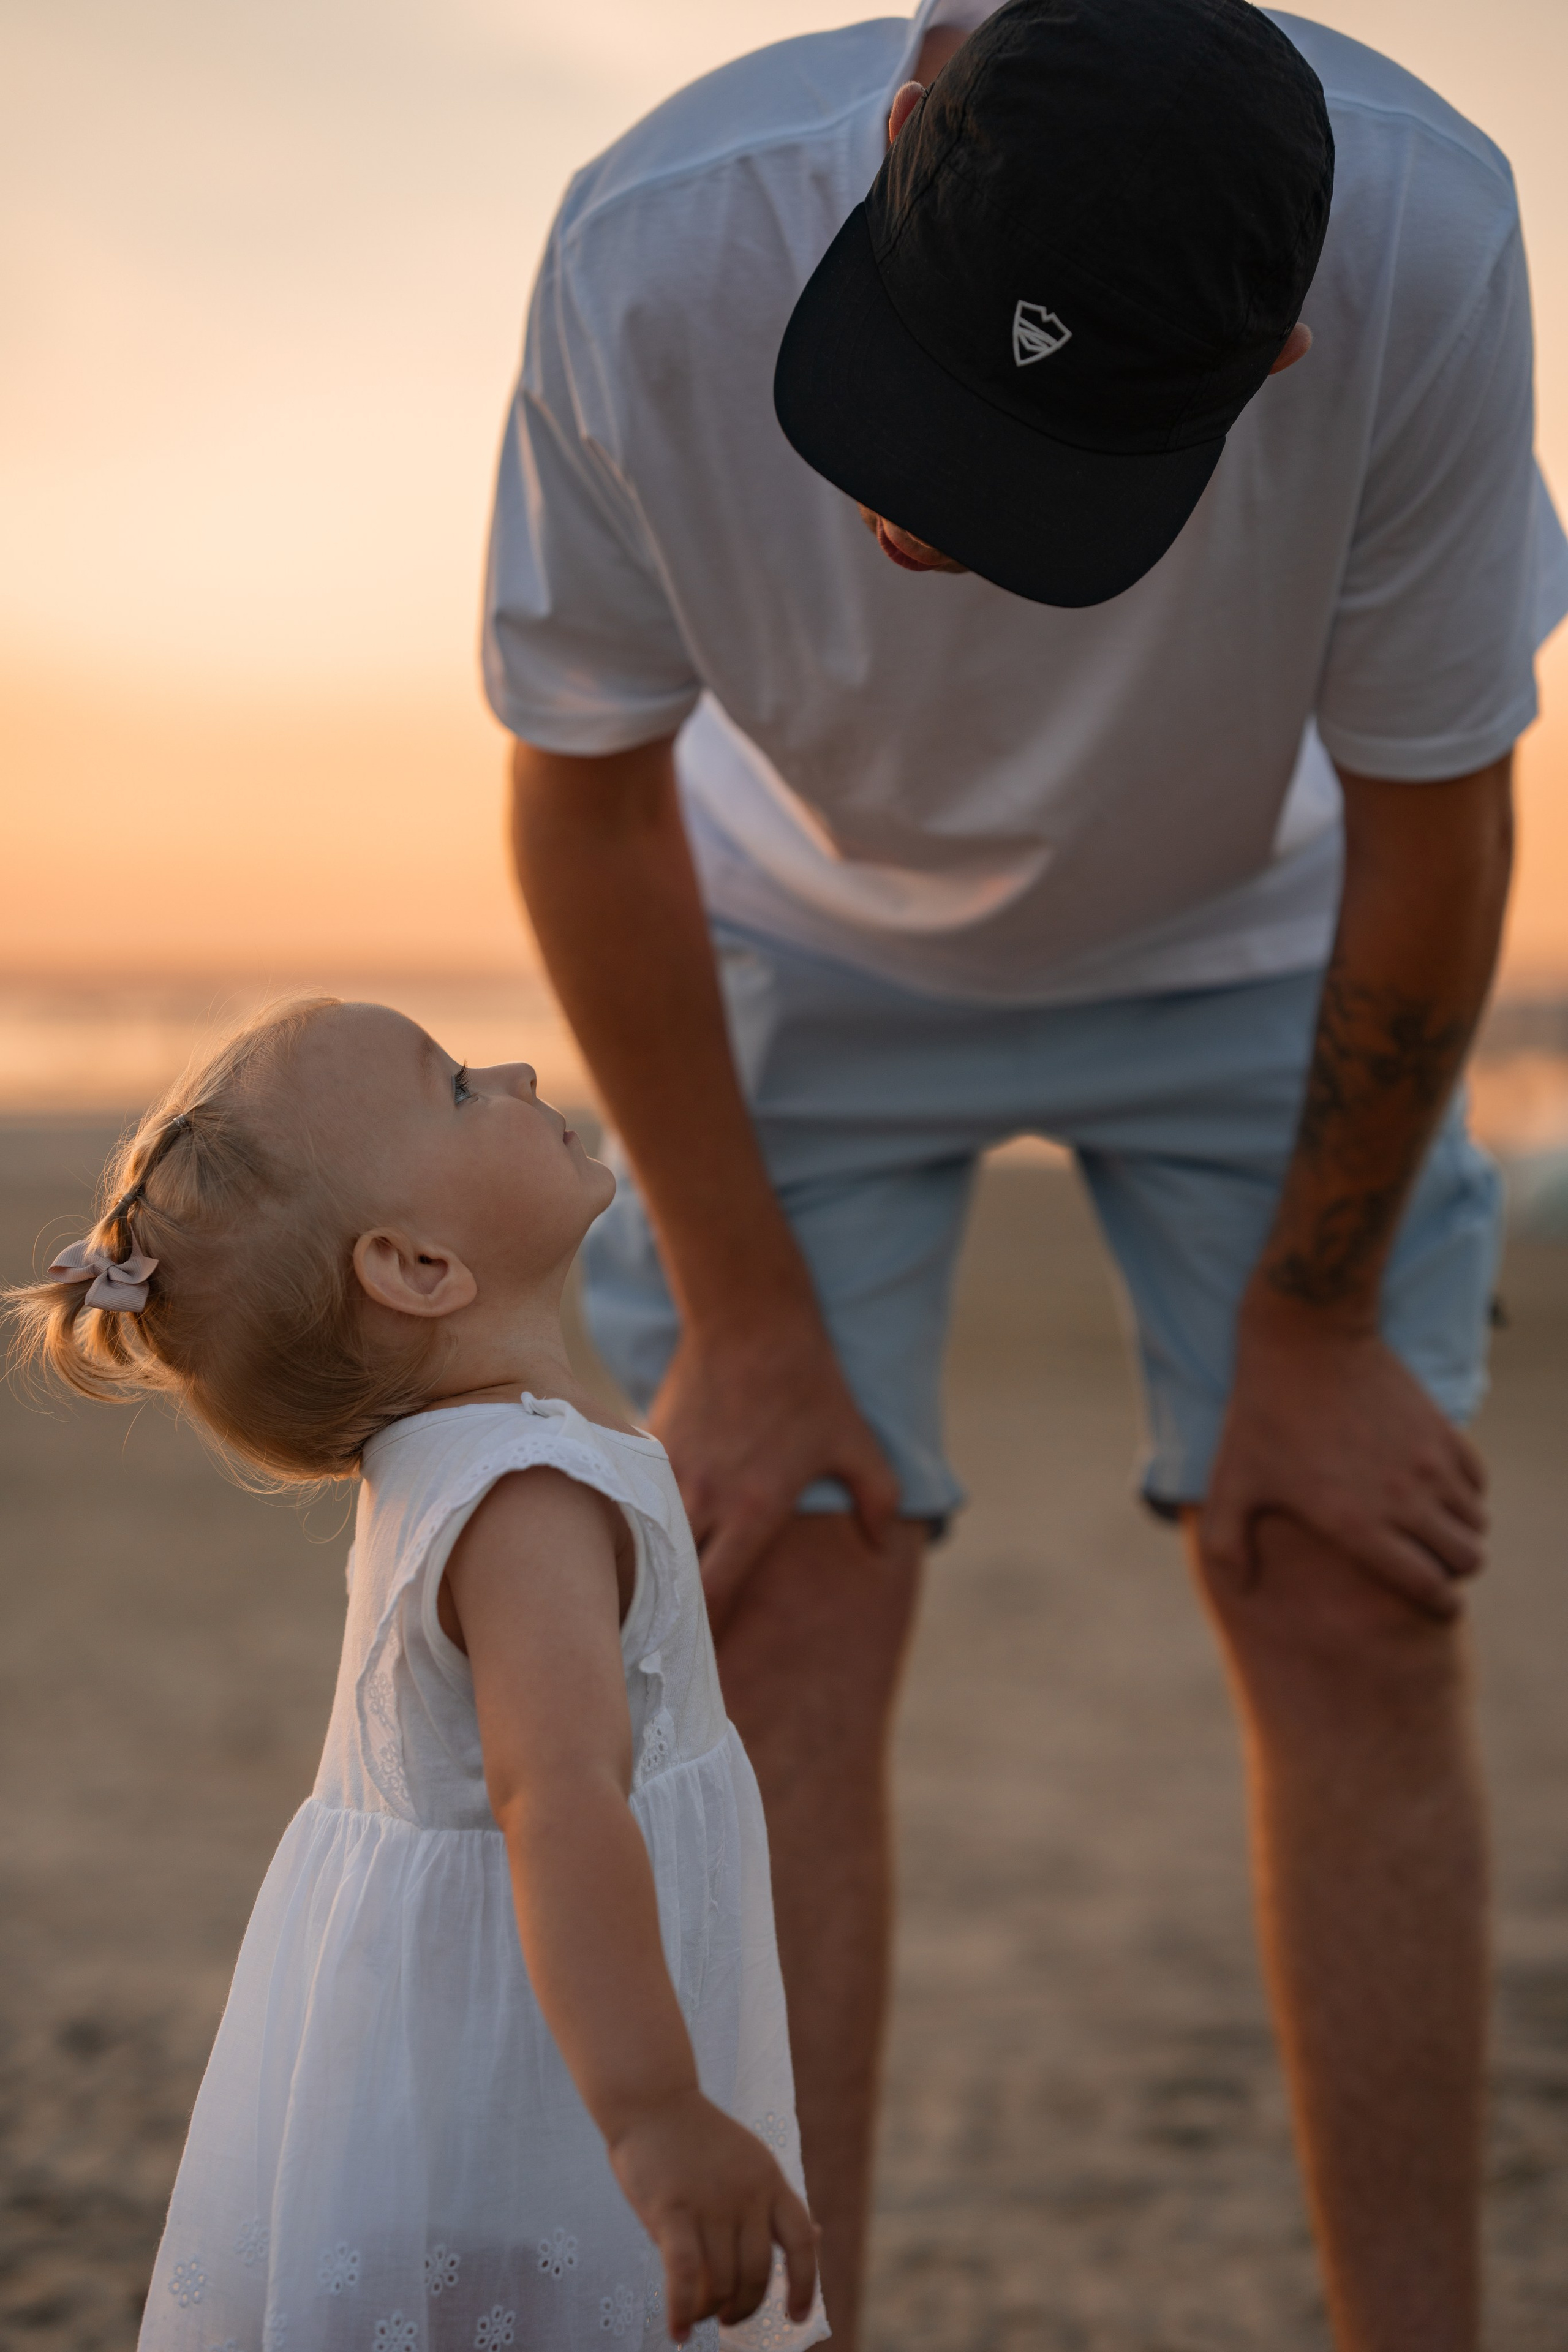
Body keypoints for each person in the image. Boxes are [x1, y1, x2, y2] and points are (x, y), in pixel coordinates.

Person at [481, 0, 1568, 2343]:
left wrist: (1304, 1334)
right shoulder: (651, 250)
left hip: (1266, 920)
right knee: (789, 1577)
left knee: (1345, 1579)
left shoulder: (1429, 246)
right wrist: (752, 1332)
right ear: (899, 132)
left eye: (1022, 455)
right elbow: (584, 783)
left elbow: (1435, 802)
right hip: (790, 929)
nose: (913, 513)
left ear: (1278, 354)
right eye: (914, 382)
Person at [9, 1001, 824, 2351]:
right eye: (453, 1087)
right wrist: (658, 2113)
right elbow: (559, 1800)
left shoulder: (443, 1464)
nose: (509, 1068)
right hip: (542, 2098)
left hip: (436, 2078)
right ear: (418, 1266)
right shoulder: (526, 1502)